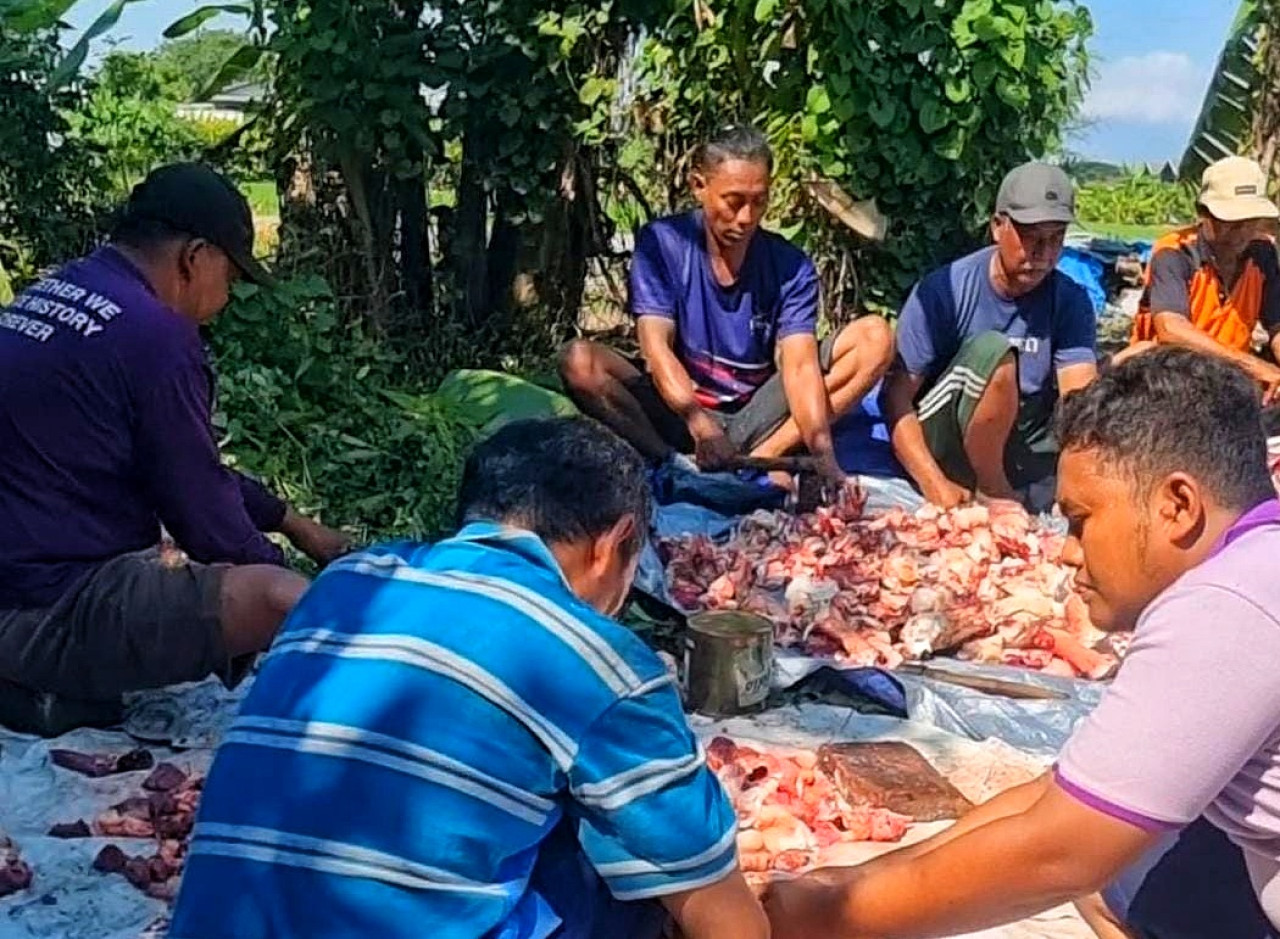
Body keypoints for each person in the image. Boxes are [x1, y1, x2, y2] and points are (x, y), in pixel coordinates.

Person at [170, 416, 769, 939]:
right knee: (634, 879)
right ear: (612, 544)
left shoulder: (349, 583)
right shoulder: (596, 658)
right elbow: (726, 918)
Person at [764, 346, 1280, 939]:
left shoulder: (1225, 604)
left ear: (1178, 505)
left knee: (1100, 863)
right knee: (1123, 874)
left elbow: (1058, 851)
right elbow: (1065, 795)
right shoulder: (1257, 559)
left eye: (1081, 520)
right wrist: (848, 884)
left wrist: (830, 922)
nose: (1065, 549)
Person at [0, 162, 350, 734]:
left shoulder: (55, 295)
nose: (226, 299)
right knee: (275, 595)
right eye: (230, 279)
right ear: (196, 256)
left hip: (17, 574)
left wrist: (294, 522)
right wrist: (290, 587)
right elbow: (203, 516)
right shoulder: (156, 335)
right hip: (41, 612)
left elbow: (181, 465)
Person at [559, 124, 894, 487]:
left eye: (759, 202)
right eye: (734, 202)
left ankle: (766, 457)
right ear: (699, 186)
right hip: (682, 412)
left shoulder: (790, 265)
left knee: (875, 337)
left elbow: (799, 366)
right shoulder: (663, 243)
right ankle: (671, 463)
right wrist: (699, 424)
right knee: (578, 361)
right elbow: (655, 349)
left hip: (755, 414)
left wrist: (822, 453)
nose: (747, 218)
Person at [881, 162, 1097, 512]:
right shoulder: (946, 290)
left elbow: (1079, 396)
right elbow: (896, 397)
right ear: (998, 227)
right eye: (1031, 237)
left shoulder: (1070, 300)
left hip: (1022, 437)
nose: (1042, 254)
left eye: (1056, 239)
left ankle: (1018, 482)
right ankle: (992, 489)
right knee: (995, 352)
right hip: (950, 435)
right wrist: (932, 482)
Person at [1123, 156, 1280, 398]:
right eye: (1231, 222)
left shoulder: (1262, 252)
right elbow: (1171, 329)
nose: (1241, 232)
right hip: (1165, 380)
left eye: (1249, 222)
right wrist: (1252, 366)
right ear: (1203, 214)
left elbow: (1276, 325)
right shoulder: (1174, 253)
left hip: (1229, 380)